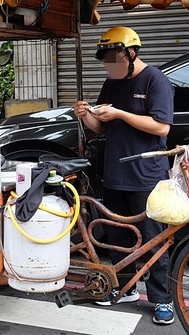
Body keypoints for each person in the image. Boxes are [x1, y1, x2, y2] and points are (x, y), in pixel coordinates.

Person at [73, 27, 175, 325]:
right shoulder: (112, 82)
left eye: (114, 59)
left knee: (153, 240)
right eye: (106, 61)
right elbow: (99, 128)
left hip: (146, 174)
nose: (109, 66)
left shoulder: (155, 80)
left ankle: (162, 299)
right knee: (117, 236)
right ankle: (126, 287)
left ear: (131, 53)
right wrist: (85, 114)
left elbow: (161, 127)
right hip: (114, 171)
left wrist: (120, 113)